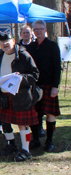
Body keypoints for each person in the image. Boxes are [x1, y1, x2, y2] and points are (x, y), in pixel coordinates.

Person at [0, 33, 39, 162]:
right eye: (2, 42)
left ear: (13, 41)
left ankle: (26, 150)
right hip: (3, 95)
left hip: (20, 95)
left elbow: (34, 75)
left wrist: (21, 78)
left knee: (23, 124)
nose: (4, 44)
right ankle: (11, 145)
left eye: (7, 41)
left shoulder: (23, 56)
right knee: (5, 123)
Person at [27, 20, 61, 152]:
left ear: (45, 30)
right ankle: (36, 139)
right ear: (33, 31)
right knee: (34, 114)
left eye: (40, 29)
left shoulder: (52, 46)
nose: (38, 32)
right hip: (34, 86)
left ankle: (49, 141)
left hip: (49, 85)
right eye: (35, 29)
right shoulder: (30, 47)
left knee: (50, 113)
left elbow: (57, 67)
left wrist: (55, 86)